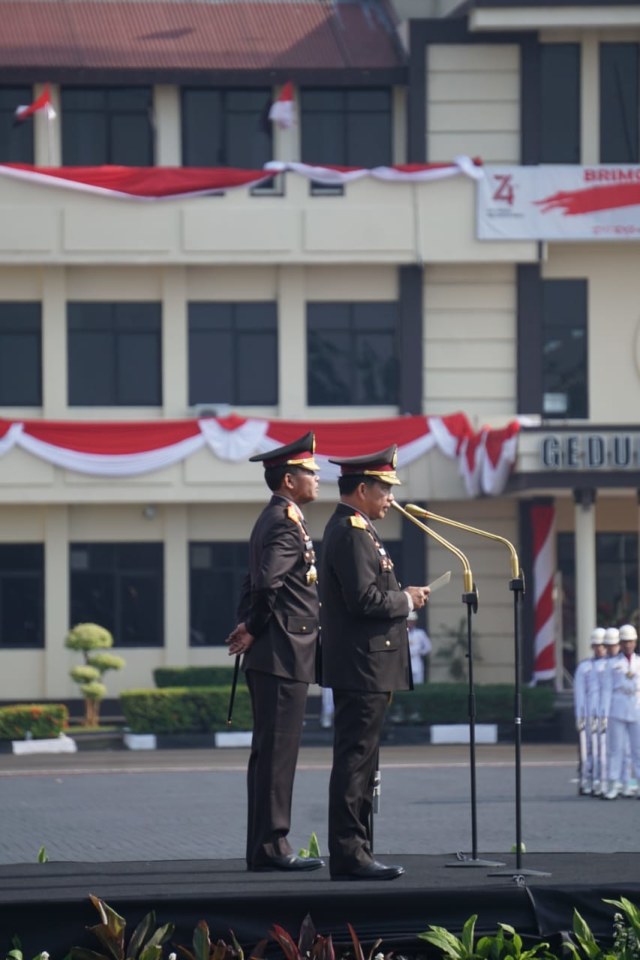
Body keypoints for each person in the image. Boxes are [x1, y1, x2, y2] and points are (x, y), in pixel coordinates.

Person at [319, 445, 430, 881]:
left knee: (363, 762)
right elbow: (363, 599)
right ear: (362, 488)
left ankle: (359, 848)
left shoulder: (360, 529)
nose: (390, 497)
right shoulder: (349, 532)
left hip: (368, 665)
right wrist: (406, 600)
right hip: (361, 666)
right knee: (354, 759)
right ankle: (350, 853)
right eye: (384, 488)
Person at [226, 432, 324, 872]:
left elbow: (254, 582)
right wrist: (253, 626)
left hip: (276, 650)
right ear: (289, 479)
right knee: (278, 754)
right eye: (311, 473)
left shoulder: (277, 517)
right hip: (282, 650)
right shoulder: (284, 521)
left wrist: (248, 623)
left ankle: (263, 848)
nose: (318, 479)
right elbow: (267, 584)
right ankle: (272, 848)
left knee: (270, 753)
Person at [601, 623, 640, 801]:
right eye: (624, 642)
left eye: (630, 641)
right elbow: (607, 689)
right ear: (620, 643)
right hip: (617, 706)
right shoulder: (613, 663)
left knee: (637, 749)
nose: (628, 645)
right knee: (615, 749)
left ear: (635, 641)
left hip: (636, 706)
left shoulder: (639, 662)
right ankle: (613, 785)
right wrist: (604, 713)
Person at [574, 627, 606, 795]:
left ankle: (602, 780)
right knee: (587, 750)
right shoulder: (584, 667)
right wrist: (579, 715)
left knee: (605, 750)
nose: (599, 648)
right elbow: (579, 693)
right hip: (588, 712)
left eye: (602, 645)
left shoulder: (611, 665)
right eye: (596, 645)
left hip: (607, 714)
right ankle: (586, 780)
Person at [407, 611, 432, 685]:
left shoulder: (420, 633)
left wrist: (420, 652)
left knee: (418, 683)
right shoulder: (402, 634)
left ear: (415, 622)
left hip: (417, 661)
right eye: (408, 621)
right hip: (406, 662)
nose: (410, 623)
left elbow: (428, 647)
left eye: (412, 621)